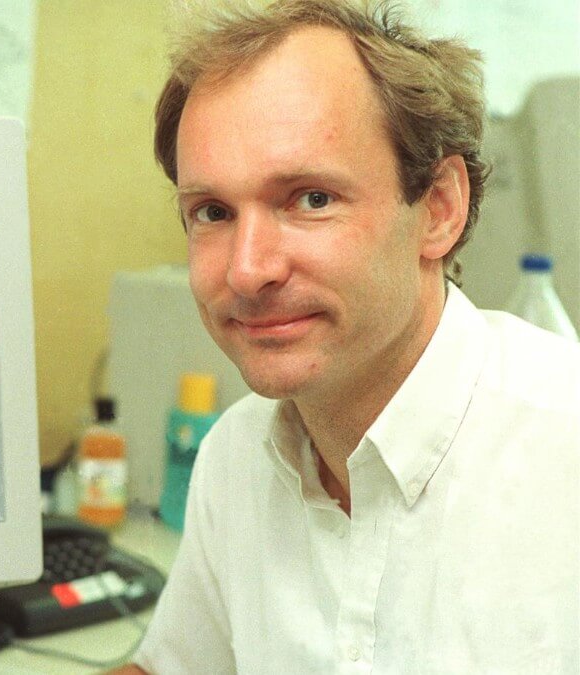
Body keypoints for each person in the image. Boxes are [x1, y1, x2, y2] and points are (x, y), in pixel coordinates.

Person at [108, 0, 580, 672]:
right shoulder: (236, 457)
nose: (247, 269)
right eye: (211, 211)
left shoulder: (566, 454)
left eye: (310, 198)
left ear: (439, 208)